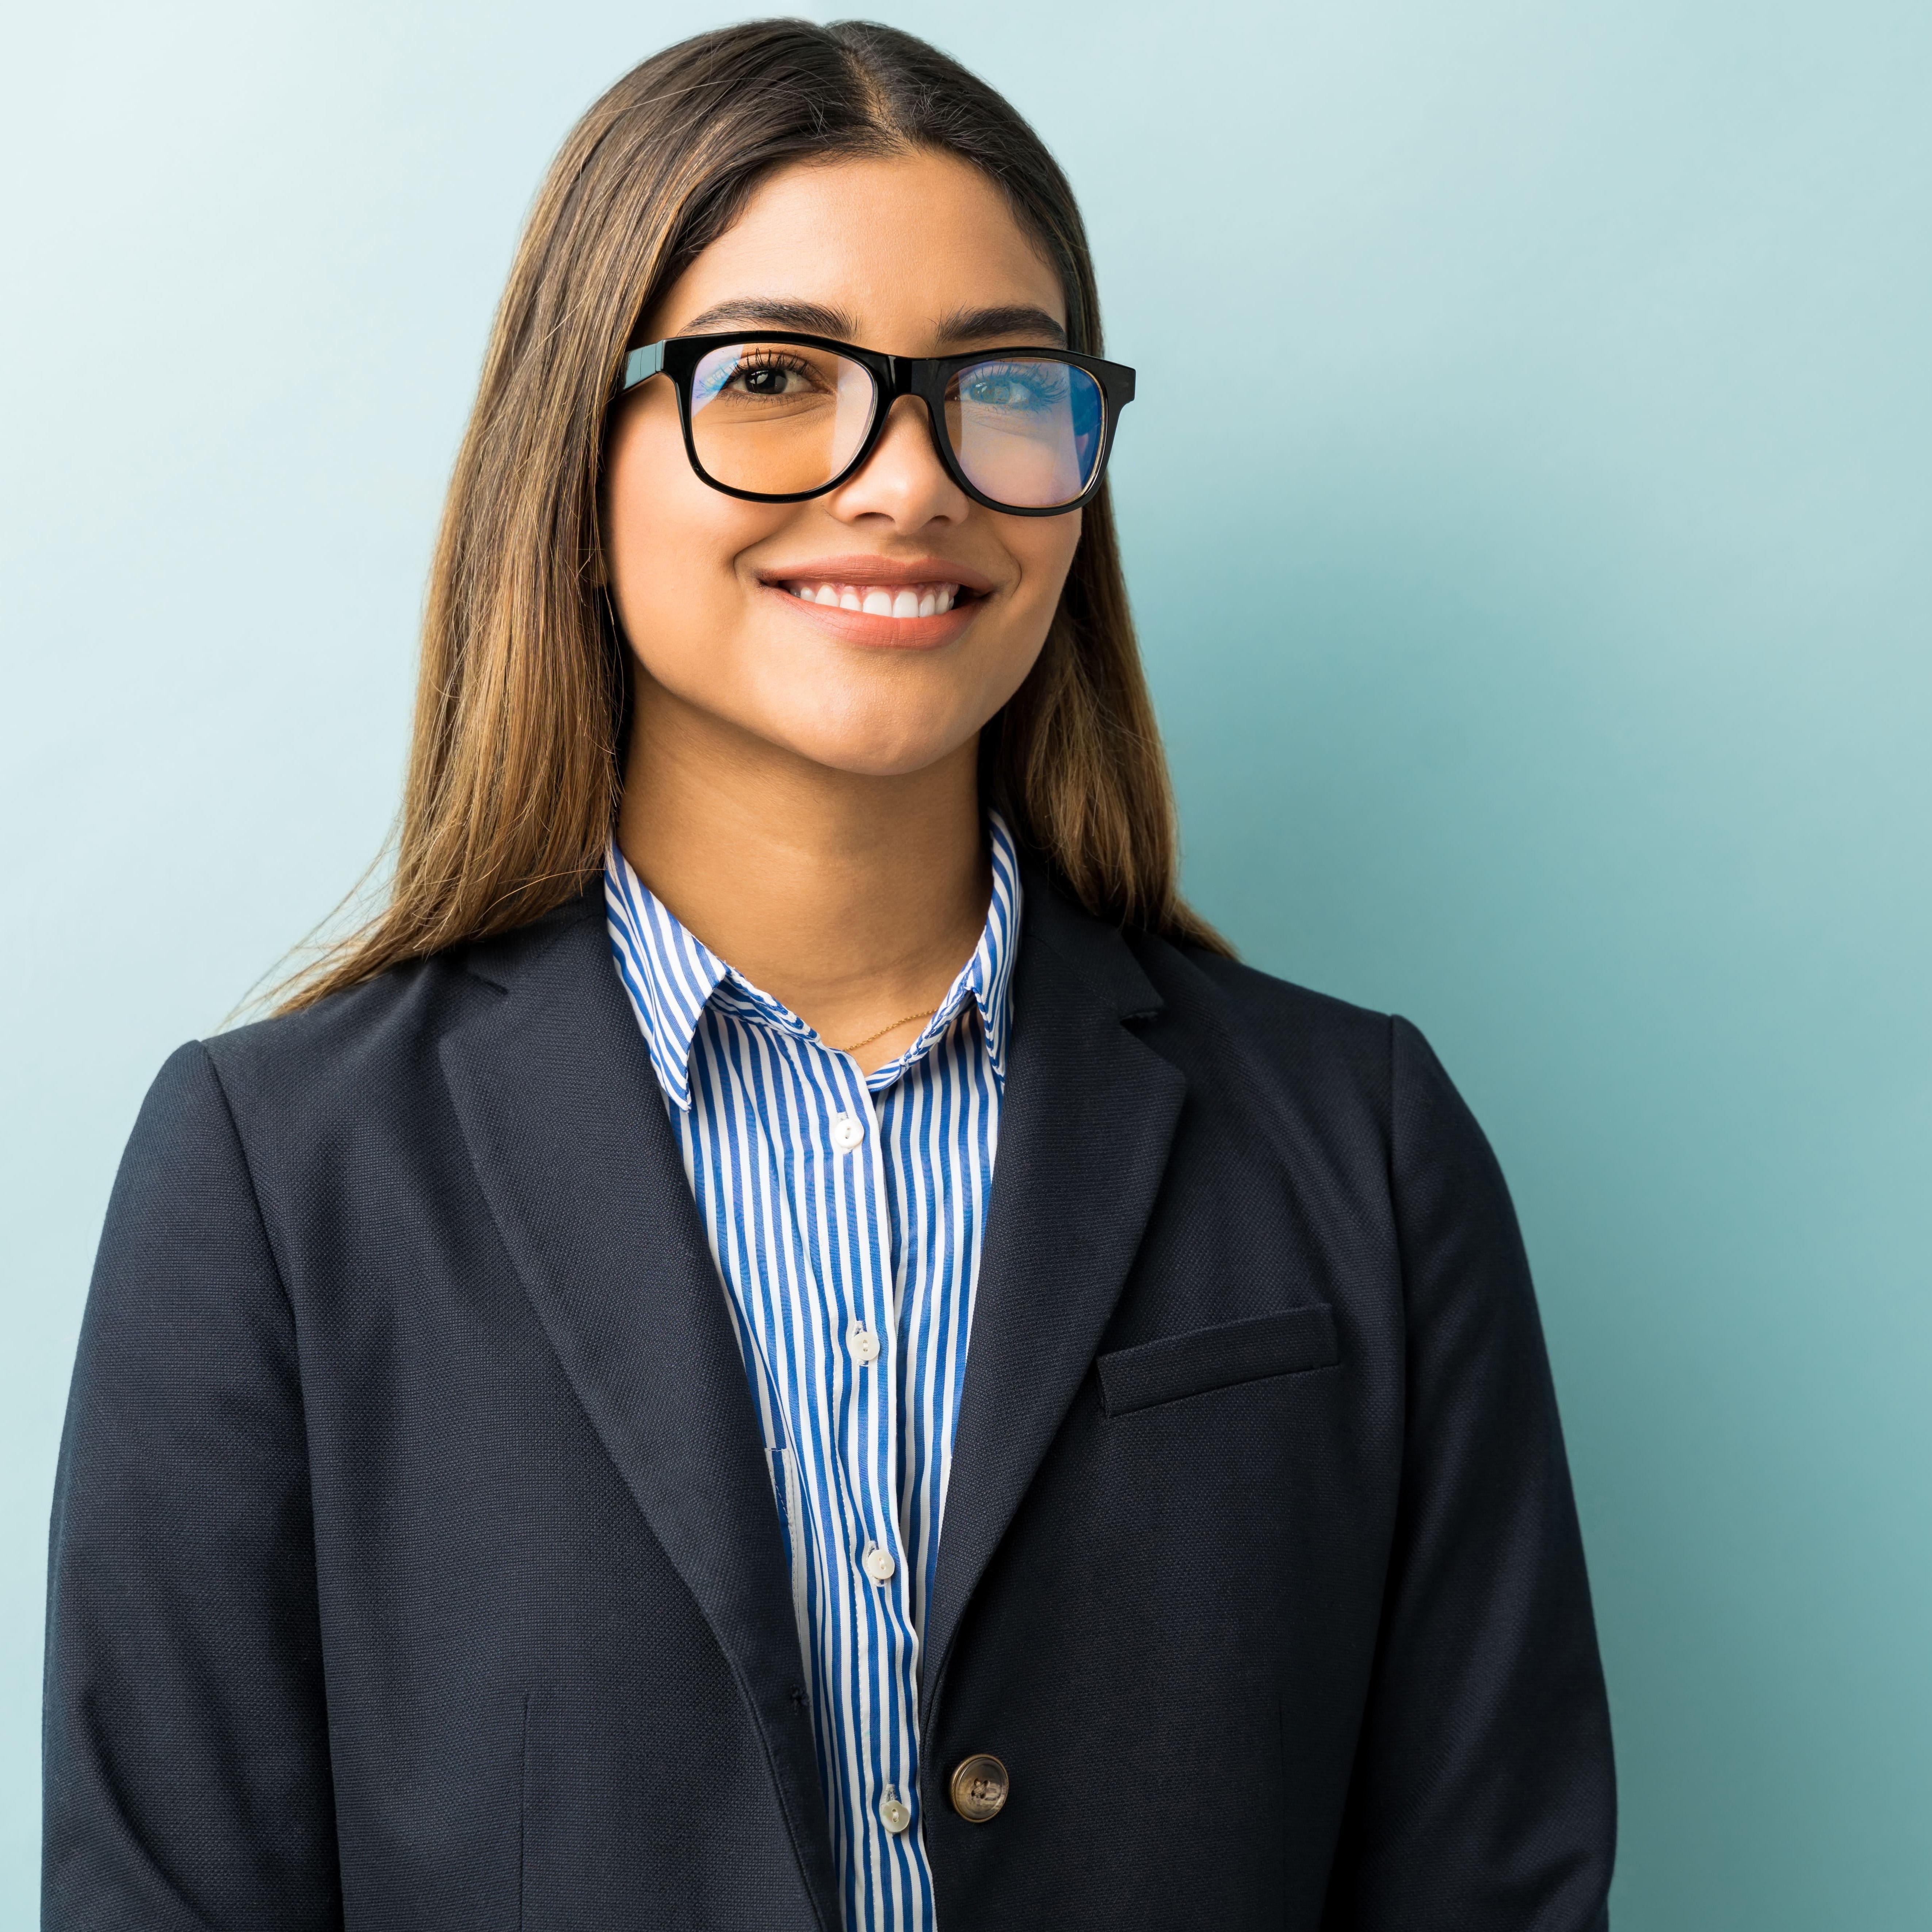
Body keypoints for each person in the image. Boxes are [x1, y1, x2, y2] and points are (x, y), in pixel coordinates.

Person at [43, 19, 1615, 1931]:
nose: (907, 481)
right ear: (581, 454)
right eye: (776, 377)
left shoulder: (1358, 1137)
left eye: (997, 385)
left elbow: (1493, 1880)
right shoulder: (273, 1180)